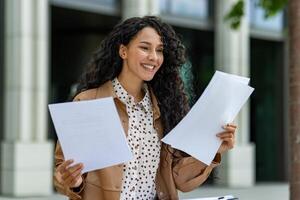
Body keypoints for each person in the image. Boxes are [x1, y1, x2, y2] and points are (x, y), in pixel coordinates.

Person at [54, 16, 237, 200]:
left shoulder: (164, 107)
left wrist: (213, 149)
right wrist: (72, 182)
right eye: (145, 47)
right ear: (123, 51)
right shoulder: (88, 102)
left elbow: (178, 180)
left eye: (159, 50)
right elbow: (64, 173)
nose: (154, 57)